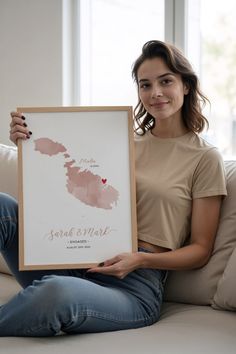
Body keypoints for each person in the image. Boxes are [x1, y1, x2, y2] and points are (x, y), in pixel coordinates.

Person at [0, 40, 227, 337]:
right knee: (3, 206)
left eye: (166, 81)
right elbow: (63, 176)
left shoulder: (205, 157)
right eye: (145, 85)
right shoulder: (120, 141)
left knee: (56, 293)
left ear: (186, 85)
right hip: (72, 258)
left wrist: (141, 259)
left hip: (134, 284)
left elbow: (200, 249)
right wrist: (28, 141)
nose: (155, 93)